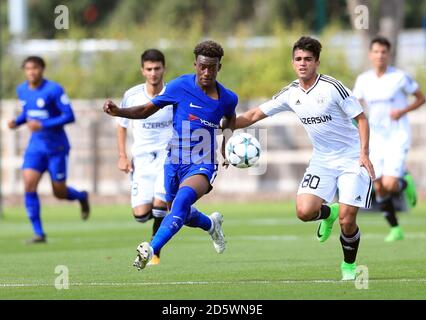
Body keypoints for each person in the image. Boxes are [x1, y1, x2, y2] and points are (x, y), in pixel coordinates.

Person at [233, 36, 375, 280]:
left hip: (351, 158)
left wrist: (364, 153)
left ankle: (349, 266)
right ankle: (327, 214)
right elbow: (255, 113)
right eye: (298, 59)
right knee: (304, 211)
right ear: (292, 63)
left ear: (317, 62)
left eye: (308, 59)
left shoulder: (332, 88)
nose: (302, 63)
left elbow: (361, 118)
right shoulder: (291, 93)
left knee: (347, 219)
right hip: (322, 160)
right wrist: (222, 123)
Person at [104, 40, 238, 270]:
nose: (207, 72)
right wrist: (119, 111)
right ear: (195, 64)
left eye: (212, 67)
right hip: (174, 161)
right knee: (179, 214)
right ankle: (211, 224)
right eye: (202, 66)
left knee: (181, 204)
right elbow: (145, 110)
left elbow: (230, 118)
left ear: (219, 67)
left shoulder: (227, 98)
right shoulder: (179, 87)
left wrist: (225, 146)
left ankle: (151, 249)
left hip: (203, 163)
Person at [8, 56, 90, 244]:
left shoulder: (53, 89)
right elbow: (27, 114)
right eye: (28, 69)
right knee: (28, 185)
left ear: (42, 69)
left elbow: (69, 116)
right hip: (35, 148)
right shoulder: (22, 90)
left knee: (59, 192)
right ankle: (38, 233)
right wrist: (17, 122)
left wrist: (43, 124)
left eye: (35, 68)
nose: (31, 72)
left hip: (57, 148)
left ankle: (81, 196)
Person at [353, 36, 425, 242]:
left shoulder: (400, 77)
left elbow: (421, 97)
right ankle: (395, 229)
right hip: (376, 139)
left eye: (384, 52)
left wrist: (403, 110)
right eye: (376, 52)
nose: (380, 55)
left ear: (389, 54)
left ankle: (404, 182)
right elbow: (354, 105)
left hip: (397, 136)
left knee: (391, 184)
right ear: (370, 54)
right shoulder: (363, 80)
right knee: (379, 186)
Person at [116, 49, 173, 265]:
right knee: (140, 215)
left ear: (163, 68)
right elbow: (121, 126)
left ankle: (154, 250)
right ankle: (173, 216)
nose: (153, 73)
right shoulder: (132, 95)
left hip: (167, 159)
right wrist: (122, 156)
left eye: (157, 68)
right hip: (141, 160)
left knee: (159, 205)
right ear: (142, 70)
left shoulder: (172, 93)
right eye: (149, 69)